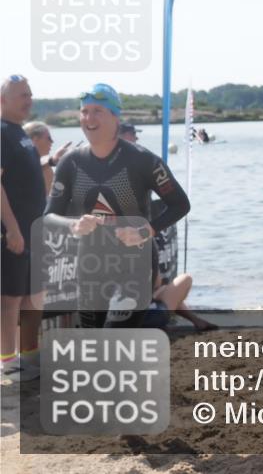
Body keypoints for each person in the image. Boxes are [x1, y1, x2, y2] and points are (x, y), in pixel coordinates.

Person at [43, 83, 190, 328]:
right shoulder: (71, 162)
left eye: (97, 111)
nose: (89, 118)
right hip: (90, 263)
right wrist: (74, 225)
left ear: (115, 117)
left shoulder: (143, 160)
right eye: (84, 111)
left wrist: (145, 231)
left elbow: (180, 205)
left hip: (135, 262)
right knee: (93, 340)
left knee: (115, 336)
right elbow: (49, 216)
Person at [1, 76, 47, 382]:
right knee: (10, 298)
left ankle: (28, 355)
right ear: (2, 100)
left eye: (30, 95)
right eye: (22, 95)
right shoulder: (2, 132)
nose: (28, 100)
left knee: (32, 296)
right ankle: (7, 361)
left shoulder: (20, 133)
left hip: (33, 231)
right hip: (13, 233)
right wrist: (12, 228)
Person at [143, 271, 217, 332]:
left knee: (164, 290)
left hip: (136, 320)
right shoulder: (148, 258)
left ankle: (197, 321)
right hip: (148, 319)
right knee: (186, 279)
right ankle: (159, 326)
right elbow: (157, 283)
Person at [24, 121, 71, 194]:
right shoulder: (21, 161)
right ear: (35, 139)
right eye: (49, 138)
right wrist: (53, 160)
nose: (52, 142)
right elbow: (28, 169)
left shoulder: (45, 167)